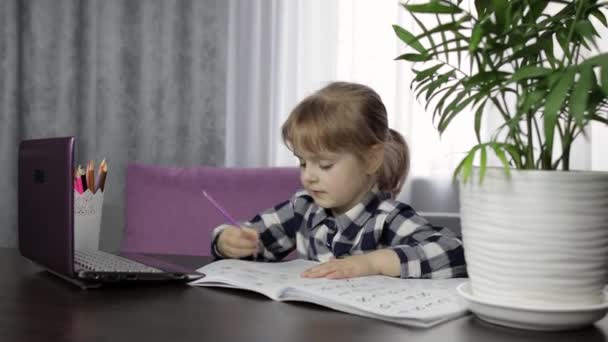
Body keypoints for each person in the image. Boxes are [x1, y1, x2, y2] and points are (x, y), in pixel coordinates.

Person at [211, 81, 466, 279]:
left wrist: (372, 263)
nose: (309, 176)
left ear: (370, 159)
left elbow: (455, 252)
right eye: (302, 162)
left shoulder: (387, 218)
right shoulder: (303, 208)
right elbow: (256, 241)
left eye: (324, 165)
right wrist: (227, 241)